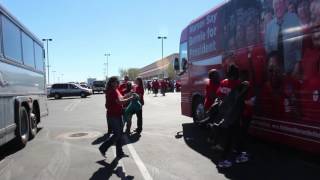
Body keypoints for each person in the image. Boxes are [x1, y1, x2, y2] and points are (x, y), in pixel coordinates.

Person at [264, 0, 302, 75]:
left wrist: (298, 65)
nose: (278, 6)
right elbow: (267, 47)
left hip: (293, 69)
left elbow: (299, 46)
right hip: (277, 72)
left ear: (285, 5)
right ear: (273, 6)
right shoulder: (269, 26)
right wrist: (271, 58)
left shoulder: (294, 19)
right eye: (275, 4)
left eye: (280, 3)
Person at [99, 76, 132, 158]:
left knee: (120, 134)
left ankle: (120, 153)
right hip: (113, 116)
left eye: (116, 82)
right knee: (117, 134)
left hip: (118, 114)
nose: (116, 83)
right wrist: (130, 98)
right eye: (114, 82)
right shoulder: (112, 91)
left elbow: (121, 98)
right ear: (110, 83)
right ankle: (103, 148)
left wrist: (129, 95)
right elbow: (120, 102)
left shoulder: (116, 90)